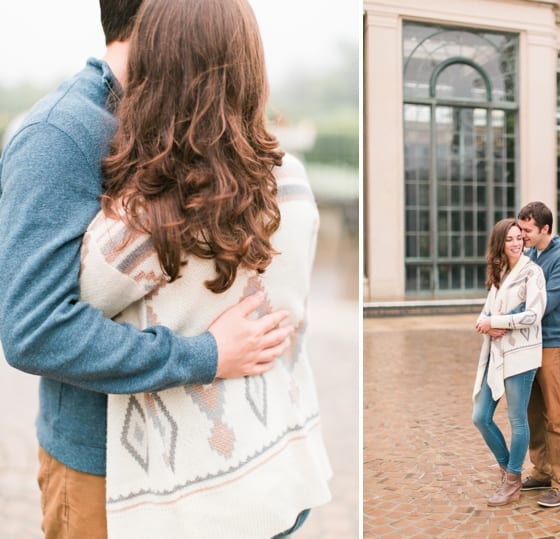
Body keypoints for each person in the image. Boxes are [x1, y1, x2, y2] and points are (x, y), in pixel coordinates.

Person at [0, 1, 292, 536]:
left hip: (190, 459)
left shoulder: (181, 120)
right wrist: (206, 355)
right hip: (100, 469)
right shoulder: (59, 134)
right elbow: (32, 330)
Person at [77, 0, 331, 537]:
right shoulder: (294, 182)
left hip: (192, 504)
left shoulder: (142, 218)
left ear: (156, 74)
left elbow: (73, 304)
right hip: (286, 465)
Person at [472, 218, 547, 506]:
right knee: (480, 416)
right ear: (500, 243)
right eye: (510, 239)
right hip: (496, 354)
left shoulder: (533, 272)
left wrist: (497, 321)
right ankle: (507, 468)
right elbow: (483, 315)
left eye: (519, 238)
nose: (516, 243)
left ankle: (513, 481)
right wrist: (486, 324)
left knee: (517, 420)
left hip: (522, 355)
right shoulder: (500, 272)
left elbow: (533, 315)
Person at [517, 201, 560, 508]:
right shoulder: (529, 255)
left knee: (557, 416)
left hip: (554, 345)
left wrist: (508, 317)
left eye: (527, 230)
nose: (522, 234)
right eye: (521, 228)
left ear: (545, 229)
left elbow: (545, 302)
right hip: (529, 345)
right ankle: (543, 470)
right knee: (534, 414)